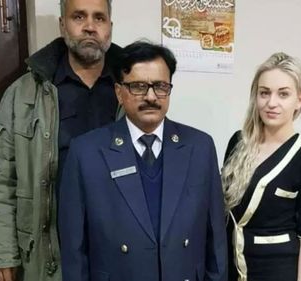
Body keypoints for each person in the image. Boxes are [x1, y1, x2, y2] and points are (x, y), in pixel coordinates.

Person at [58, 40, 228, 281]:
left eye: (160, 86)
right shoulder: (86, 152)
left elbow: (216, 240)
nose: (151, 96)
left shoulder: (200, 147)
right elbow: (74, 249)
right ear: (119, 92)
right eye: (138, 86)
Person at [0, 0, 119, 280]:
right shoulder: (24, 93)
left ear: (110, 28)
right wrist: (1, 251)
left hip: (118, 253)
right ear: (62, 24)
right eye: (79, 16)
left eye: (99, 18)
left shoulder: (134, 89)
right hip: (51, 256)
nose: (90, 26)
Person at [221, 52, 301, 281]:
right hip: (231, 266)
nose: (271, 102)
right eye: (264, 93)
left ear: (299, 100)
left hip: (277, 271)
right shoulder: (238, 142)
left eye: (283, 94)